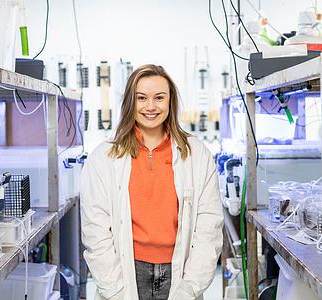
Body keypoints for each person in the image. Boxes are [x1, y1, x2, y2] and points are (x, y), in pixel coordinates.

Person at [80, 64, 223, 300]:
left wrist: (189, 288)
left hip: (180, 273)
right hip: (125, 272)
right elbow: (96, 231)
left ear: (170, 101)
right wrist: (115, 289)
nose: (150, 106)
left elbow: (208, 228)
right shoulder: (103, 158)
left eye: (159, 97)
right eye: (141, 98)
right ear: (130, 102)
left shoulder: (197, 154)